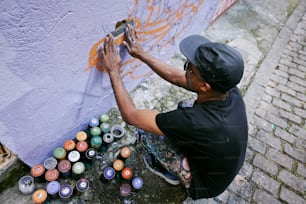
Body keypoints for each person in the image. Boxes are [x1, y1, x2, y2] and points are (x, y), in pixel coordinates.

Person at [98, 24, 248, 199]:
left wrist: (113, 71)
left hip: (203, 183)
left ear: (204, 86)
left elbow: (131, 116)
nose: (185, 70)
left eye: (189, 68)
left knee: (144, 131)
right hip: (218, 161)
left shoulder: (195, 121)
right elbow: (178, 78)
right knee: (185, 104)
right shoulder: (228, 91)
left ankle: (171, 172)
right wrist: (141, 54)